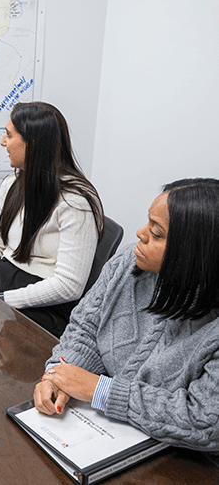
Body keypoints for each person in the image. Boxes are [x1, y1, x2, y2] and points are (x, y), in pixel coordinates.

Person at [35, 178, 219, 452]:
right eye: (148, 223)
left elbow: (204, 421)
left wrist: (100, 390)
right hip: (96, 427)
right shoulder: (128, 266)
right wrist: (59, 375)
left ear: (194, 253)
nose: (140, 233)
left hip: (174, 456)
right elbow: (86, 328)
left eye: (156, 233)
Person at [0, 102, 103, 337]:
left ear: (32, 144)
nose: (3, 142)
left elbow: (68, 286)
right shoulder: (14, 182)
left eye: (9, 135)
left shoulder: (76, 202)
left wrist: (3, 300)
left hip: (44, 301)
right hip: (3, 280)